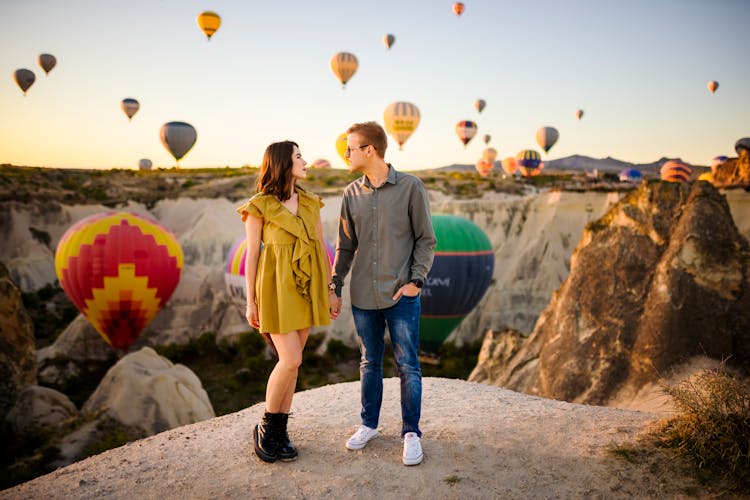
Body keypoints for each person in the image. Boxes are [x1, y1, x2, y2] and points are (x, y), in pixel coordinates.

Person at [329, 121, 436, 466]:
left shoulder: (410, 187)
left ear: (370, 150)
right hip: (363, 295)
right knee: (369, 363)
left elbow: (425, 239)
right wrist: (336, 285)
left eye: (351, 147)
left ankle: (411, 433)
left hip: (400, 296)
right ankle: (368, 424)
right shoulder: (350, 194)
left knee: (408, 365)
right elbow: (345, 247)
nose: (346, 153)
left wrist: (415, 282)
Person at [237, 140, 336, 463]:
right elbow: (252, 255)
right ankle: (266, 426)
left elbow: (321, 248)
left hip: (307, 286)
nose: (305, 161)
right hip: (275, 288)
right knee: (289, 360)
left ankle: (280, 431)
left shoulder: (310, 203)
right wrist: (250, 301)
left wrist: (331, 290)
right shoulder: (259, 205)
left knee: (295, 365)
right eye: (298, 156)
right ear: (282, 163)